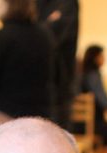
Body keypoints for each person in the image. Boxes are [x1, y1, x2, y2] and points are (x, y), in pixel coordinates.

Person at [0, 0, 54, 135]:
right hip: (38, 117)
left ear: (11, 4)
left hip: (2, 115)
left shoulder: (0, 37)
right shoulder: (45, 36)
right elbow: (55, 77)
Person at [36, 0, 79, 129]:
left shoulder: (66, 4)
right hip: (35, 87)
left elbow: (54, 34)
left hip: (57, 85)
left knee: (54, 132)